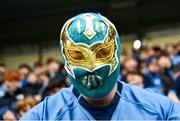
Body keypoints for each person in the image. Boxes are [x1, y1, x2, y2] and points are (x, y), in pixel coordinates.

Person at [20, 13, 180, 120]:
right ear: (65, 58)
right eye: (78, 55)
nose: (92, 66)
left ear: (116, 51)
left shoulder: (161, 110)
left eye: (102, 52)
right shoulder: (44, 115)